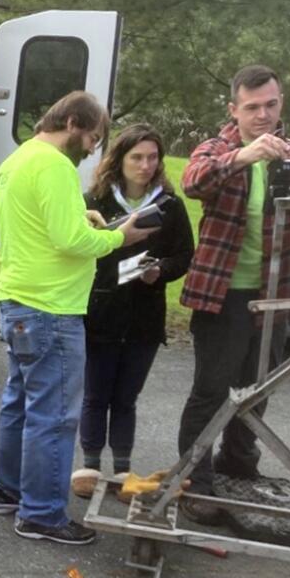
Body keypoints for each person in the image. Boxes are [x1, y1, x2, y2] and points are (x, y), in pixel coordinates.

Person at [0, 91, 153, 545]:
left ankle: (9, 489)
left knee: (19, 400)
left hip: (18, 299)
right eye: (94, 138)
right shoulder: (56, 164)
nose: (93, 149)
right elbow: (69, 242)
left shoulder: (17, 160)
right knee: (55, 415)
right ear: (75, 122)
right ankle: (41, 513)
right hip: (53, 307)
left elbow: (46, 225)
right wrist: (120, 237)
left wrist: (84, 217)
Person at [176, 64, 290, 524]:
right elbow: (193, 182)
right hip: (223, 294)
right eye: (253, 107)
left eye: (271, 105)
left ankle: (238, 466)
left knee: (258, 389)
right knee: (210, 391)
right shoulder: (216, 148)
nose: (263, 115)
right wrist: (244, 157)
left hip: (277, 294)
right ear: (234, 109)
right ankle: (194, 482)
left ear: (282, 103)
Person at [75, 124, 193, 485]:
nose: (145, 165)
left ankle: (123, 467)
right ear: (119, 159)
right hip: (101, 309)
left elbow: (185, 254)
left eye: (152, 157)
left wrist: (161, 270)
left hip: (145, 315)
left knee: (126, 397)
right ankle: (90, 465)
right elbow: (78, 249)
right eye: (137, 157)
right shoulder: (94, 201)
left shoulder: (170, 206)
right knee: (96, 393)